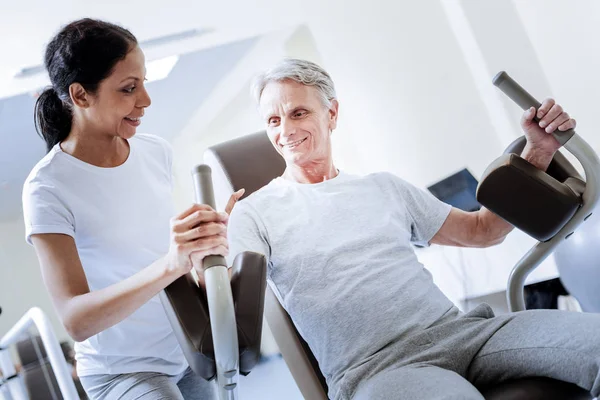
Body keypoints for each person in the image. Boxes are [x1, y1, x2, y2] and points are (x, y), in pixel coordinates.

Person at [226, 58, 600, 400]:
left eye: (298, 113)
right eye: (273, 121)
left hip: (466, 334)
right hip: (378, 370)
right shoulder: (253, 213)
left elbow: (483, 231)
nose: (286, 130)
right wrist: (208, 254)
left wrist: (539, 152)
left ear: (332, 113)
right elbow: (234, 297)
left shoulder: (383, 187)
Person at [22, 18, 243, 400]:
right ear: (80, 95)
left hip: (185, 345)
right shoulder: (47, 188)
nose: (146, 100)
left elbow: (163, 260)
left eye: (143, 82)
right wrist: (173, 262)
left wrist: (199, 248)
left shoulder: (155, 151)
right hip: (122, 370)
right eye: (129, 88)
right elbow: (76, 320)